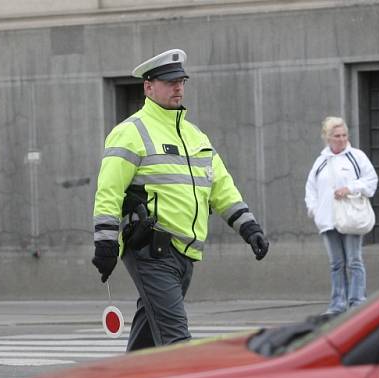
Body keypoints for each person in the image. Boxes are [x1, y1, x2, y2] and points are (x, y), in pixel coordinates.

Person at [91, 48, 270, 352]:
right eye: (169, 81)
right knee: (177, 343)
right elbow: (109, 191)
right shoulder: (129, 133)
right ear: (149, 87)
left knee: (148, 340)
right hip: (151, 251)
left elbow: (221, 186)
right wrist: (106, 243)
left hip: (185, 254)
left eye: (181, 81)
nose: (178, 87)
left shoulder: (196, 136)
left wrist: (249, 228)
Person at [305, 116, 378, 315]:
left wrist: (350, 188)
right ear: (328, 137)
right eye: (337, 136)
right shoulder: (321, 161)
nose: (341, 139)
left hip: (351, 218)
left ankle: (357, 302)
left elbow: (371, 181)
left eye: (344, 135)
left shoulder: (357, 156)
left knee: (354, 260)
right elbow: (311, 188)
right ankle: (337, 304)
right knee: (336, 263)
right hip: (328, 220)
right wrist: (315, 210)